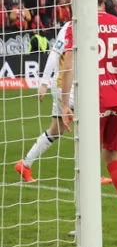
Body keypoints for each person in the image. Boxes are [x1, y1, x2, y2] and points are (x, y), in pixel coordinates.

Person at [59, 0, 117, 235]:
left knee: (83, 161)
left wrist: (64, 104)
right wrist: (115, 79)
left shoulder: (79, 25)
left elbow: (68, 68)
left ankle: (84, 224)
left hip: (94, 100)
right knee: (113, 159)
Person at [14, 22, 74, 184]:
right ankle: (91, 175)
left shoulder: (75, 24)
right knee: (88, 126)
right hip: (69, 86)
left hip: (63, 84)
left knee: (56, 129)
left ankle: (25, 164)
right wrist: (43, 83)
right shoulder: (71, 26)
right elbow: (54, 54)